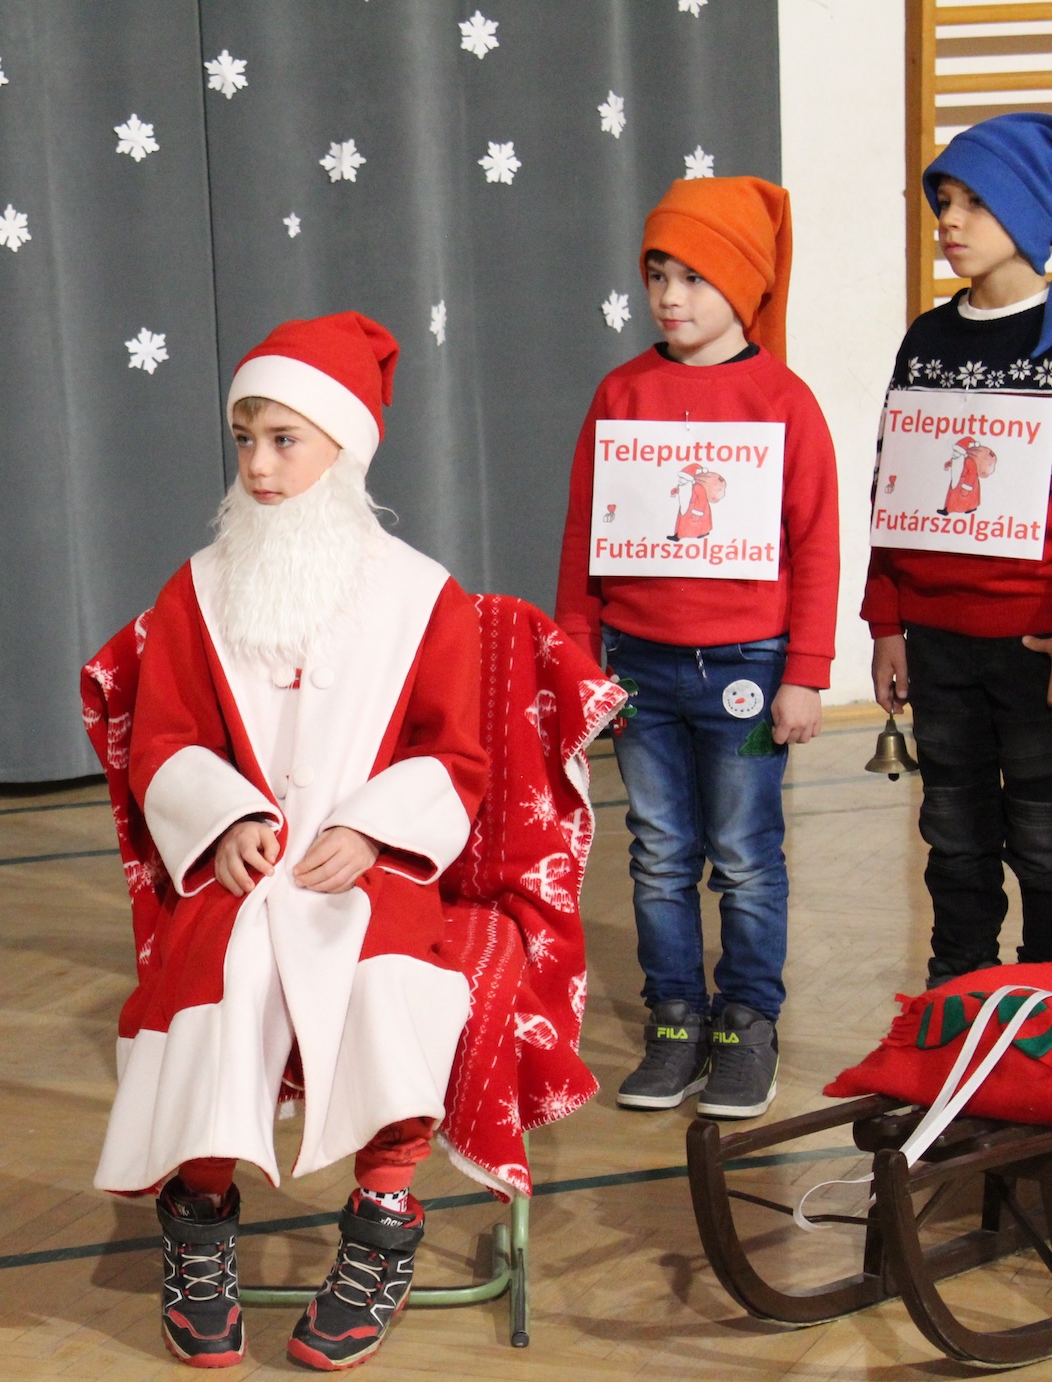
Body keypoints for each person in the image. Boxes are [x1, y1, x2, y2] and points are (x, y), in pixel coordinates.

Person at [99, 313, 486, 1371]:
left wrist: (369, 826)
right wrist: (223, 816)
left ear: (343, 444)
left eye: (284, 441)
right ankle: (199, 1215)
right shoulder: (199, 587)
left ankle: (383, 1219)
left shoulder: (421, 596)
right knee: (216, 975)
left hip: (372, 863)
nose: (259, 467)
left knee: (381, 979)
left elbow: (454, 754)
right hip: (249, 861)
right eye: (245, 440)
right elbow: (166, 736)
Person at [554, 176, 838, 1121]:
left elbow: (817, 544)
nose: (669, 297)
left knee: (746, 855)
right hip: (638, 667)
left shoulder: (783, 400)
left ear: (744, 284)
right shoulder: (622, 391)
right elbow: (584, 536)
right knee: (659, 853)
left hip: (750, 670)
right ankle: (674, 1019)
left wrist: (806, 673)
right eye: (657, 275)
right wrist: (579, 655)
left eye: (694, 277)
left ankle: (747, 1022)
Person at [867, 114, 1052, 987]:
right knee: (953, 833)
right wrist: (886, 622)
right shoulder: (927, 340)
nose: (950, 219)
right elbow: (892, 486)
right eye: (944, 200)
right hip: (936, 640)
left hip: (1034, 645)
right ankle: (959, 997)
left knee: (1046, 837)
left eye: (976, 201)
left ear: (1031, 206)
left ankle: (1040, 1004)